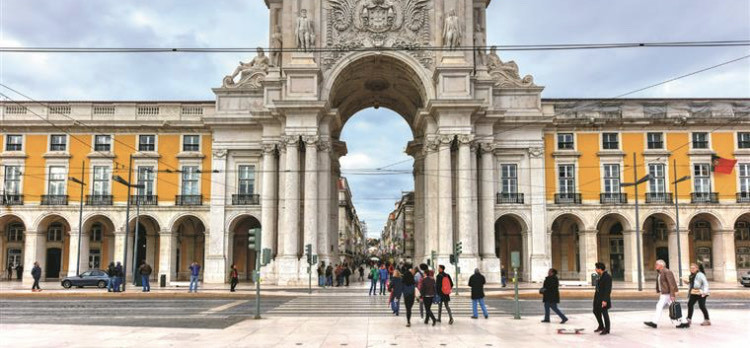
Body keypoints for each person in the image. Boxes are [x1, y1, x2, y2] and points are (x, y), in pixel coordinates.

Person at [644, 259, 685, 328]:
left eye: (656, 264)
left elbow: (671, 284)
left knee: (661, 306)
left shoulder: (667, 272)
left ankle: (654, 322)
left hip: (667, 293)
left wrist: (672, 294)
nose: (655, 266)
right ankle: (684, 322)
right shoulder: (660, 272)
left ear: (661, 265)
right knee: (673, 307)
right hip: (664, 293)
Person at [679, 263, 710, 328]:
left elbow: (705, 283)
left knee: (702, 306)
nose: (692, 269)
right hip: (694, 292)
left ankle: (707, 320)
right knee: (690, 304)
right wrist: (686, 282)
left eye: (693, 268)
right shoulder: (692, 275)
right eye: (691, 268)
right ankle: (689, 319)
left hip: (701, 292)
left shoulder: (700, 275)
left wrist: (705, 292)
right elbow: (693, 283)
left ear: (697, 269)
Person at [593, 262, 612, 335]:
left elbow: (608, 290)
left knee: (604, 313)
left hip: (603, 299)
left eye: (596, 268)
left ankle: (607, 329)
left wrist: (605, 300)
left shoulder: (607, 277)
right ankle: (601, 326)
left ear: (600, 269)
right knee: (595, 311)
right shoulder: (599, 276)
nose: (595, 270)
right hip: (597, 298)